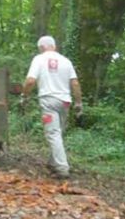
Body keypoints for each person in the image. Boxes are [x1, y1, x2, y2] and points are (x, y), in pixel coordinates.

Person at [21, 36, 83, 179]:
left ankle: (62, 168)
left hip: (48, 100)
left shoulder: (39, 59)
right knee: (58, 133)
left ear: (42, 48)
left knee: (53, 134)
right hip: (65, 102)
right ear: (53, 46)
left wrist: (24, 97)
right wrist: (79, 103)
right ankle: (53, 162)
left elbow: (30, 81)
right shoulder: (66, 61)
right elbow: (75, 83)